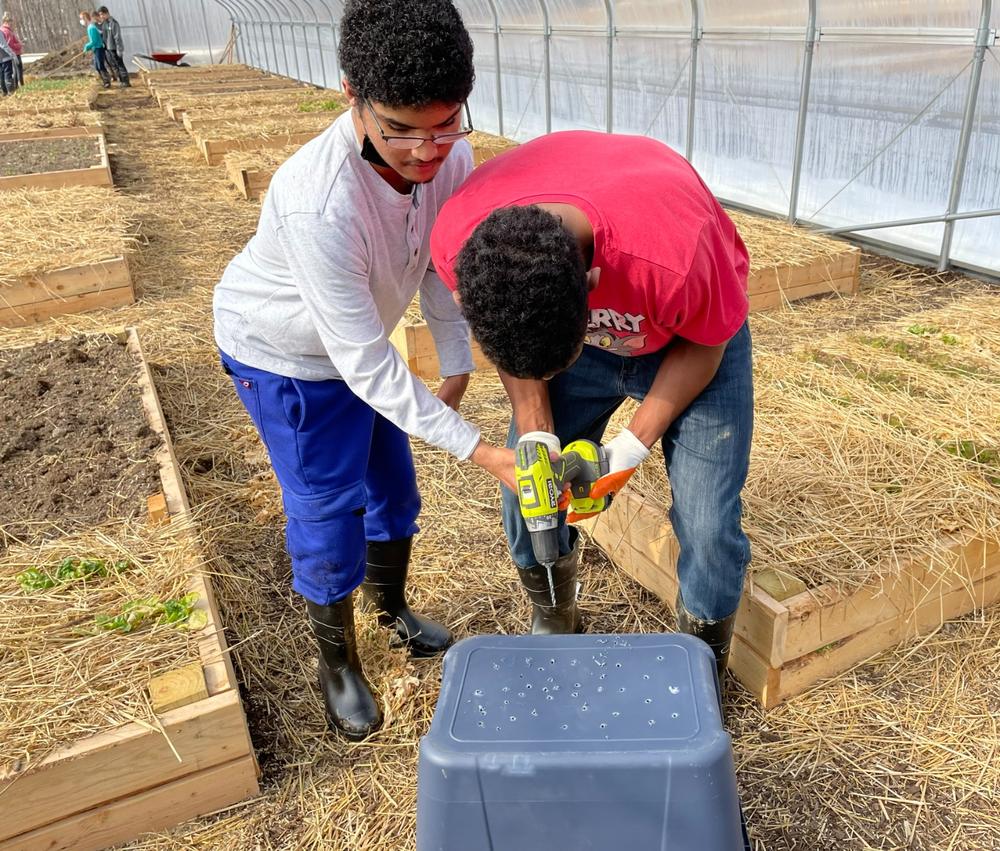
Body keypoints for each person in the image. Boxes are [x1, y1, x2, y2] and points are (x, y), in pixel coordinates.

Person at [214, 0, 512, 741]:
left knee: (392, 486)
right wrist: (480, 448)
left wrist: (454, 362)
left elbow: (441, 265)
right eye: (401, 130)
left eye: (446, 123)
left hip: (357, 345)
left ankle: (392, 608)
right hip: (287, 357)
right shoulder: (319, 200)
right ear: (351, 92)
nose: (427, 149)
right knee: (328, 503)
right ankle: (337, 661)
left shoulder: (453, 156)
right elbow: (364, 364)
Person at [430, 131, 754, 678]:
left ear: (595, 284)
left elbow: (708, 341)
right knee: (528, 489)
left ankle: (702, 663)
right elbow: (516, 345)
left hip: (687, 340)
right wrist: (536, 429)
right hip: (564, 325)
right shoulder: (465, 246)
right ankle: (554, 614)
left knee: (707, 519)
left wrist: (630, 446)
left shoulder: (674, 252)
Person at [96, 7, 129, 88]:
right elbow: (103, 34)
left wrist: (119, 49)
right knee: (115, 65)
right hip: (109, 48)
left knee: (120, 64)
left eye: (102, 14)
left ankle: (126, 81)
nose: (101, 17)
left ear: (107, 13)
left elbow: (117, 37)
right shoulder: (105, 23)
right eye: (100, 15)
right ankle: (121, 81)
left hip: (115, 48)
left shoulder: (113, 23)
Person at [80, 10, 110, 89]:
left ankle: (107, 81)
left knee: (100, 65)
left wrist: (87, 46)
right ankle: (104, 81)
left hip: (99, 48)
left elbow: (94, 41)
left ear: (85, 18)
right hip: (96, 48)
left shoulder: (91, 28)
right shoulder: (90, 27)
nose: (81, 21)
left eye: (82, 19)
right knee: (97, 66)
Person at [1, 14, 23, 90]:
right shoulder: (7, 31)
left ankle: (5, 91)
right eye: (11, 22)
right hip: (10, 54)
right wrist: (19, 45)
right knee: (12, 72)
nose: (12, 24)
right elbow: (8, 44)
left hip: (7, 55)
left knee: (4, 73)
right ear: (7, 22)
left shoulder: (5, 30)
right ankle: (15, 88)